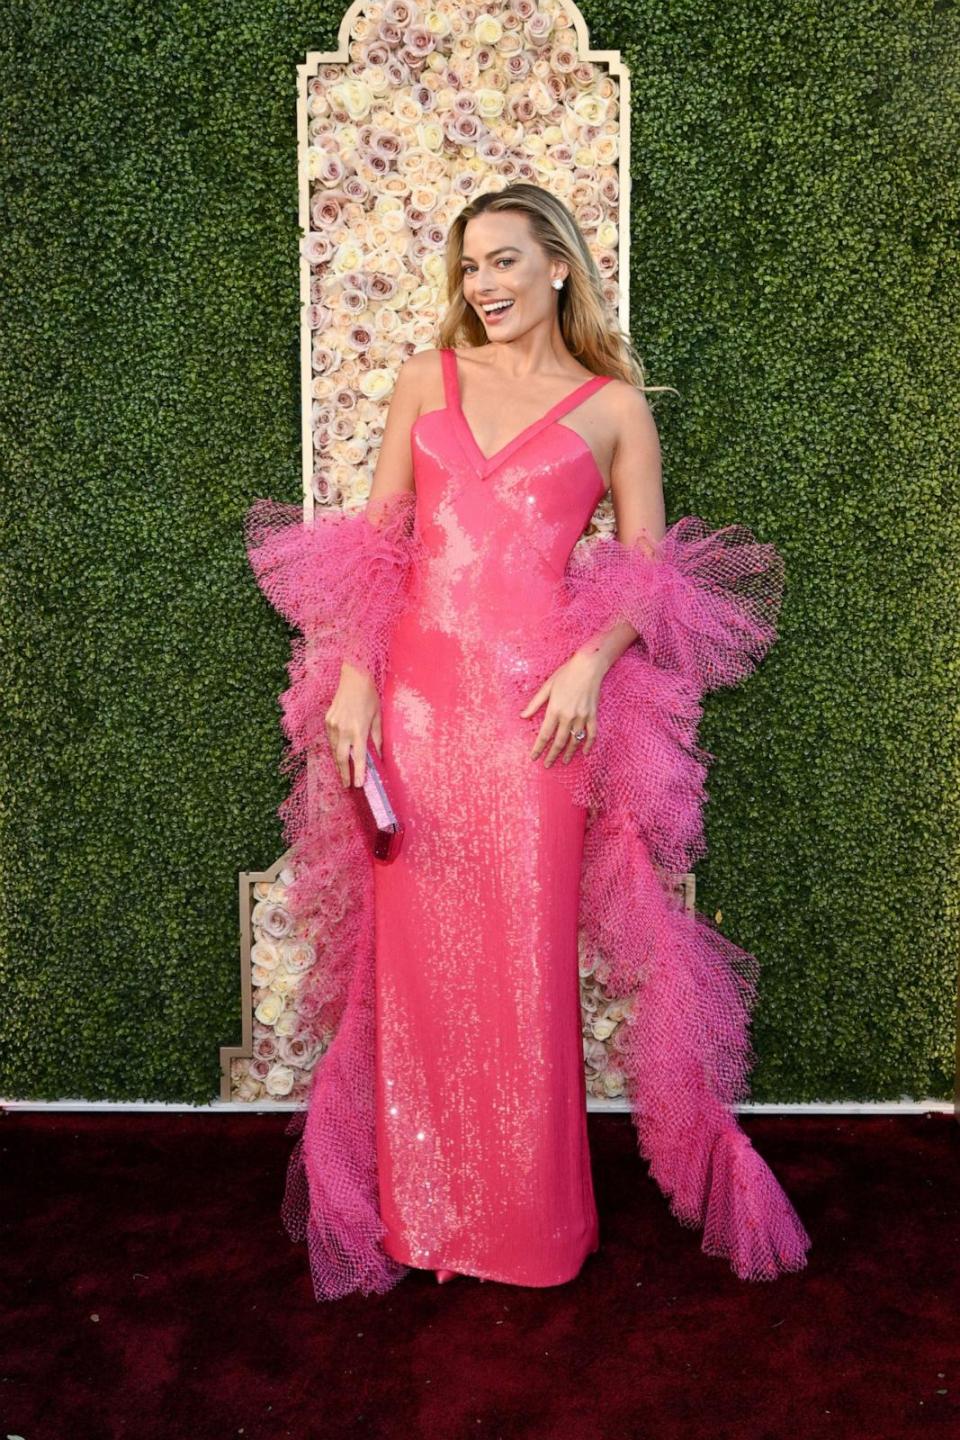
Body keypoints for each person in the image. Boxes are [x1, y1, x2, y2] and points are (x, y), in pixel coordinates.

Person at [244, 182, 811, 1301]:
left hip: (535, 725)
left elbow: (654, 577)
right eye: (468, 268)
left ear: (558, 265)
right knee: (417, 973)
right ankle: (424, 1216)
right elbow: (381, 545)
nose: (482, 287)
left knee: (525, 966)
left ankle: (524, 1227)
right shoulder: (426, 381)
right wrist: (356, 682)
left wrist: (589, 667)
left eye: (504, 262)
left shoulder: (614, 409)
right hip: (414, 709)